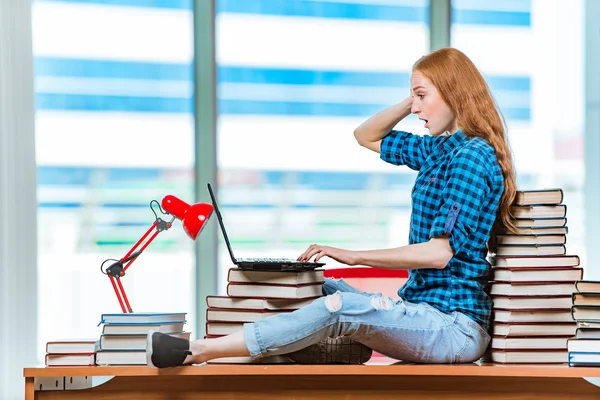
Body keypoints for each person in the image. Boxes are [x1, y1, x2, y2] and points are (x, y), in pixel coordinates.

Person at [146, 47, 517, 368]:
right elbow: (366, 135)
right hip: (420, 313)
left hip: (451, 327)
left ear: (454, 92)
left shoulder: (473, 156)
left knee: (339, 308)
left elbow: (439, 254)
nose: (416, 108)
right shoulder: (438, 150)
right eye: (413, 98)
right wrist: (413, 97)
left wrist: (351, 255)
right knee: (316, 284)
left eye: (421, 97)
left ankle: (198, 351)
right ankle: (258, 349)